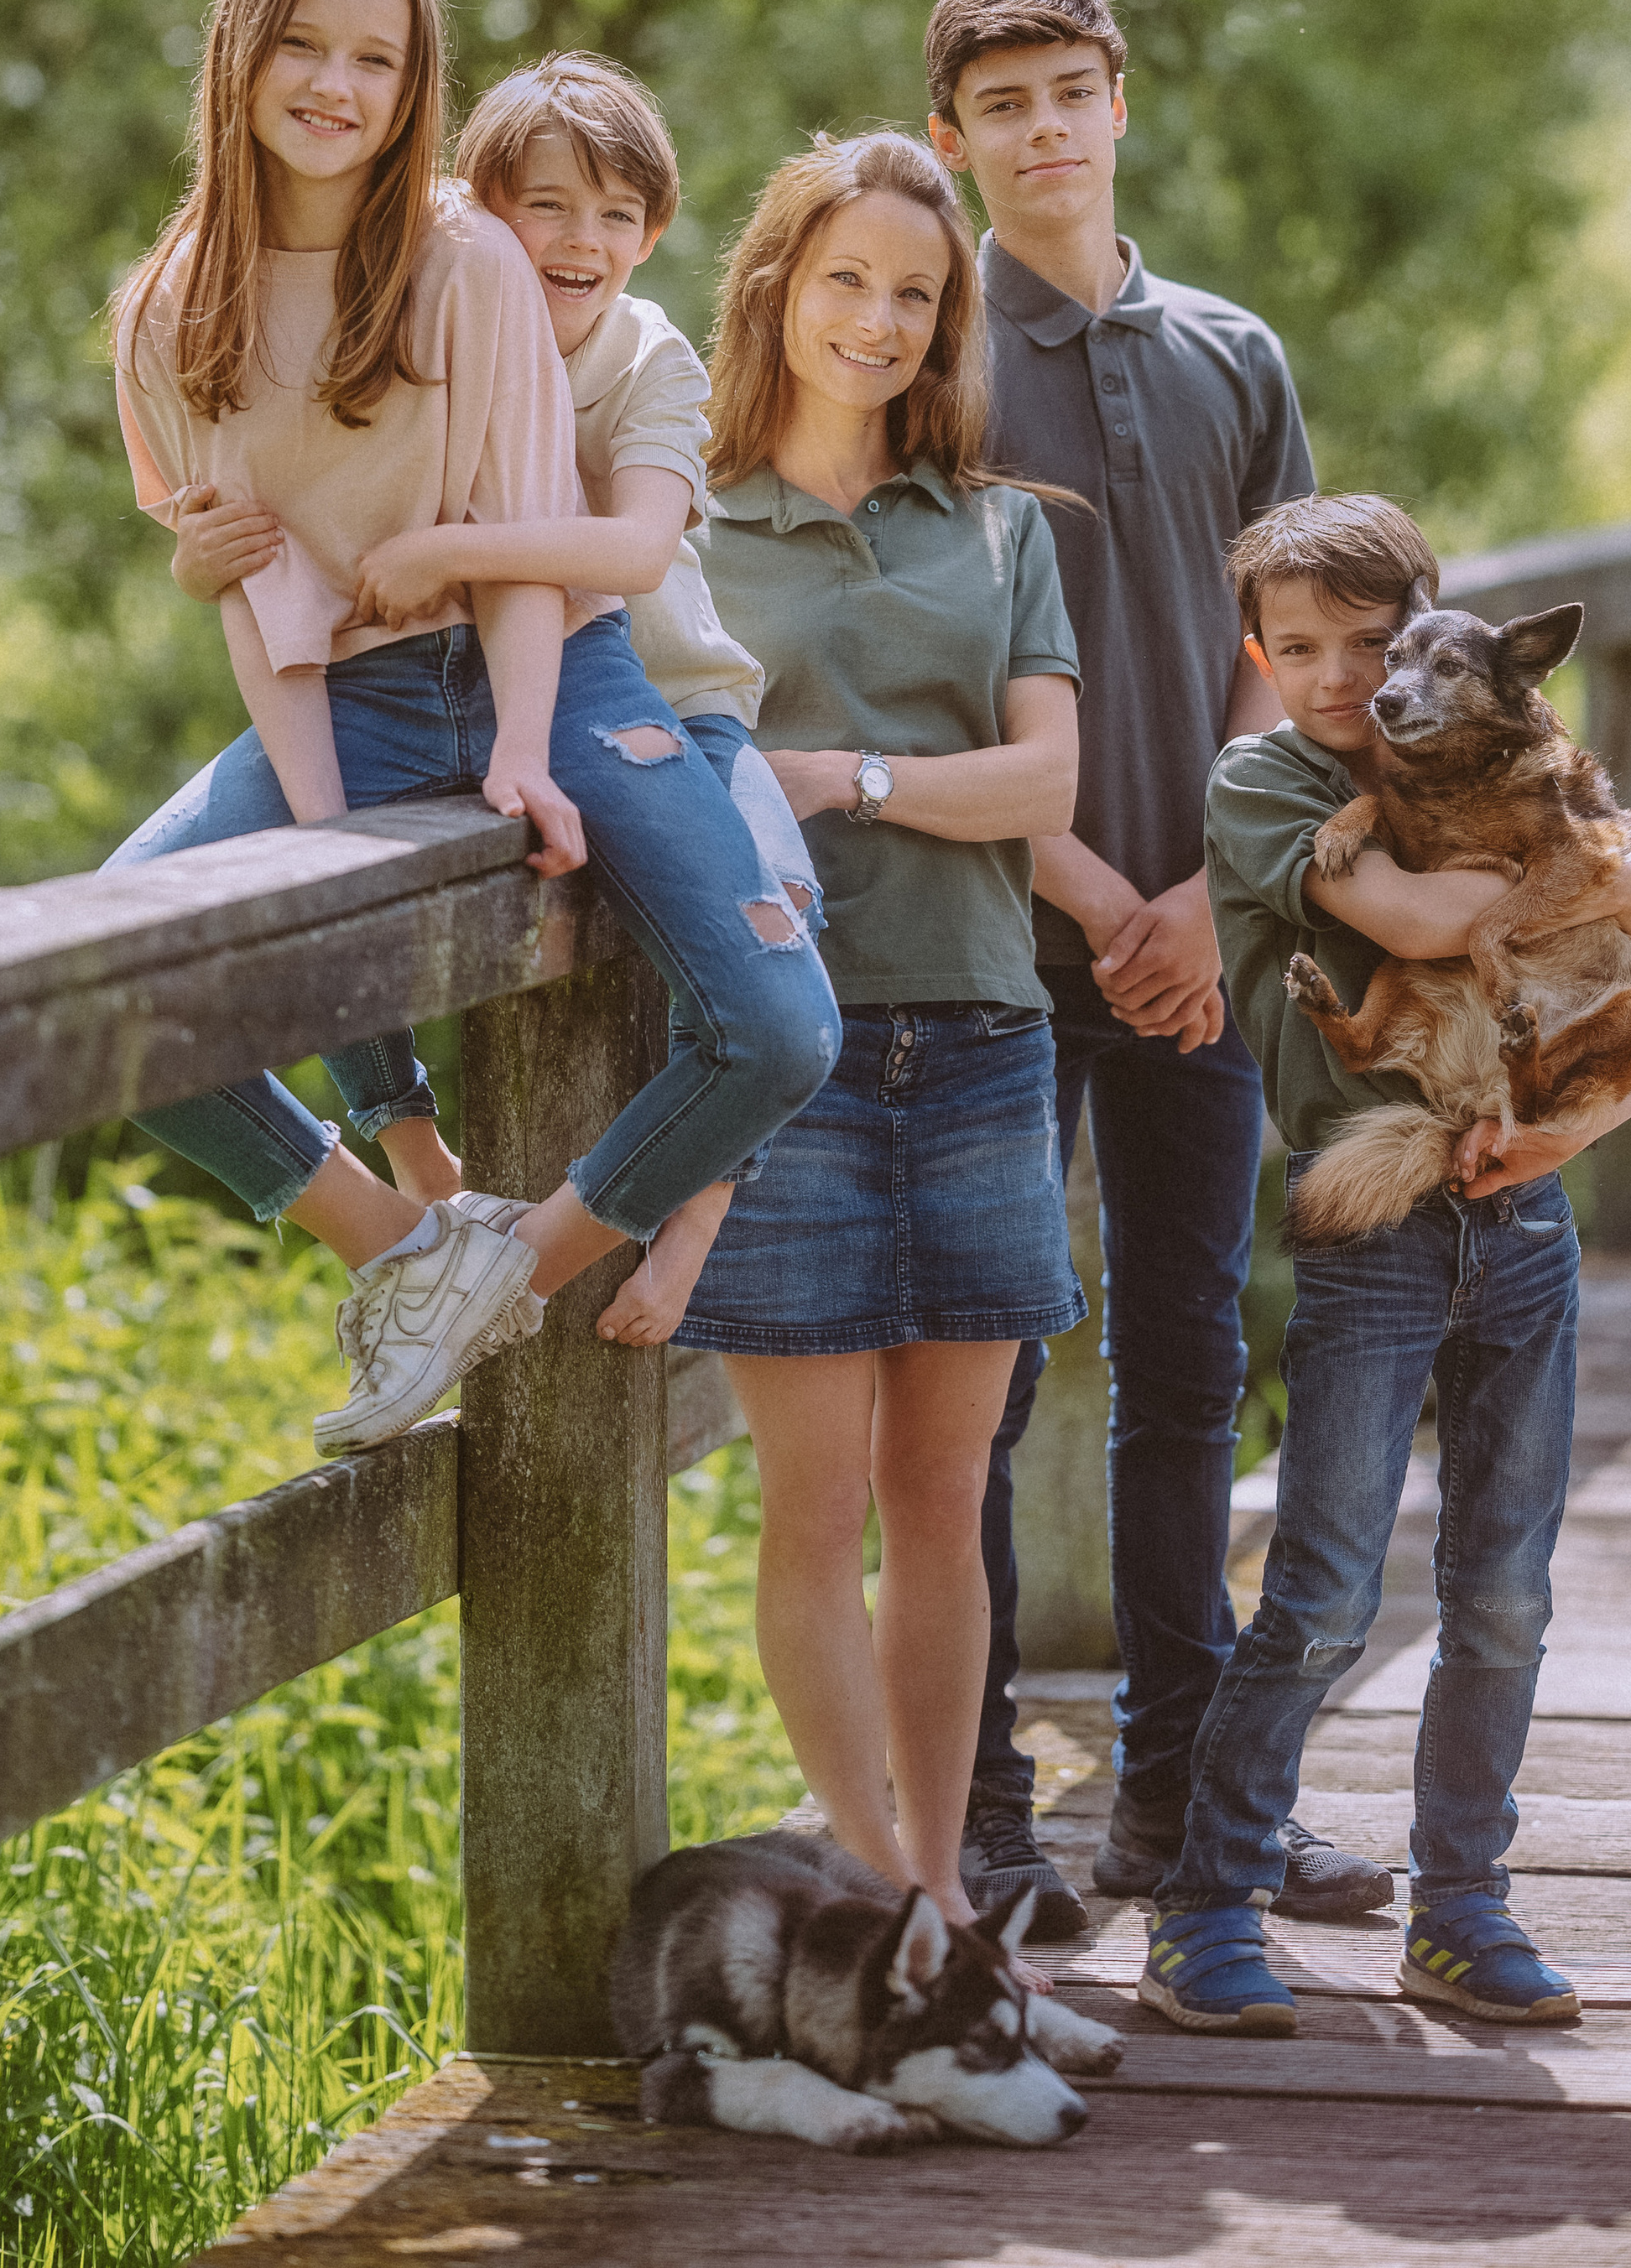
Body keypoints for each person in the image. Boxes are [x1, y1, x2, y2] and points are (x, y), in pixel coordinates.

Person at [107, 0, 839, 1452]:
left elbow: (524, 521)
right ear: (238, 54)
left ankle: (509, 1259)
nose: (335, 84)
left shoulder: (469, 259)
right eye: (303, 45)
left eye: (374, 58)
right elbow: (249, 580)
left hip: (561, 666)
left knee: (780, 1023)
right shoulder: (173, 305)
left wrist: (520, 742)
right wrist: (321, 833)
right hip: (348, 701)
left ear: (414, 84)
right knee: (115, 982)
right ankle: (401, 1244)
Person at [923, 0, 1386, 1935]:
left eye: (1067, 91)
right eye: (1000, 103)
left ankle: (1185, 1802)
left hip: (1206, 944)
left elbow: (1297, 651)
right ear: (952, 138)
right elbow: (911, 666)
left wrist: (1205, 884)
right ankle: (980, 1824)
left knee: (1190, 1361)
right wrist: (1090, 892)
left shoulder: (1229, 353)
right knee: (981, 1384)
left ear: (1119, 103)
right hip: (989, 944)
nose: (1042, 129)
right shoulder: (927, 353)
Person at [1139, 490, 1631, 2036]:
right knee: (1321, 1592)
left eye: (1377, 645)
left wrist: (1567, 1132)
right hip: (1377, 1236)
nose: (1350, 680)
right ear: (1261, 654)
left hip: (1522, 1215)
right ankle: (1207, 1906)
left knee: (1505, 1592)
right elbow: (1427, 919)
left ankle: (1461, 1907)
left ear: (1438, 641)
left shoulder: (1489, 759)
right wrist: (1604, 878)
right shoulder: (1268, 782)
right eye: (1303, 647)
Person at [672, 127, 1088, 1936]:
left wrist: (837, 776)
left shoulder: (998, 527)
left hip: (985, 1040)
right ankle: (885, 1904)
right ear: (777, 287)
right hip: (786, 1064)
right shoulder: (677, 528)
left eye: (915, 293)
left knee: (941, 1497)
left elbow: (1045, 784)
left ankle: (943, 1907)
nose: (879, 319)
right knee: (814, 1505)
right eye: (846, 278)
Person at [332, 48, 824, 1345]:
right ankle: (419, 1159)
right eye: (546, 205)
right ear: (476, 208)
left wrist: (449, 551)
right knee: (335, 868)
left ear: (651, 233)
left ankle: (681, 1224)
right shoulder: (434, 321)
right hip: (491, 691)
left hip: (673, 697)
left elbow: (635, 551)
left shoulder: (647, 352)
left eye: (616, 214)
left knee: (778, 908)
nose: (582, 239)